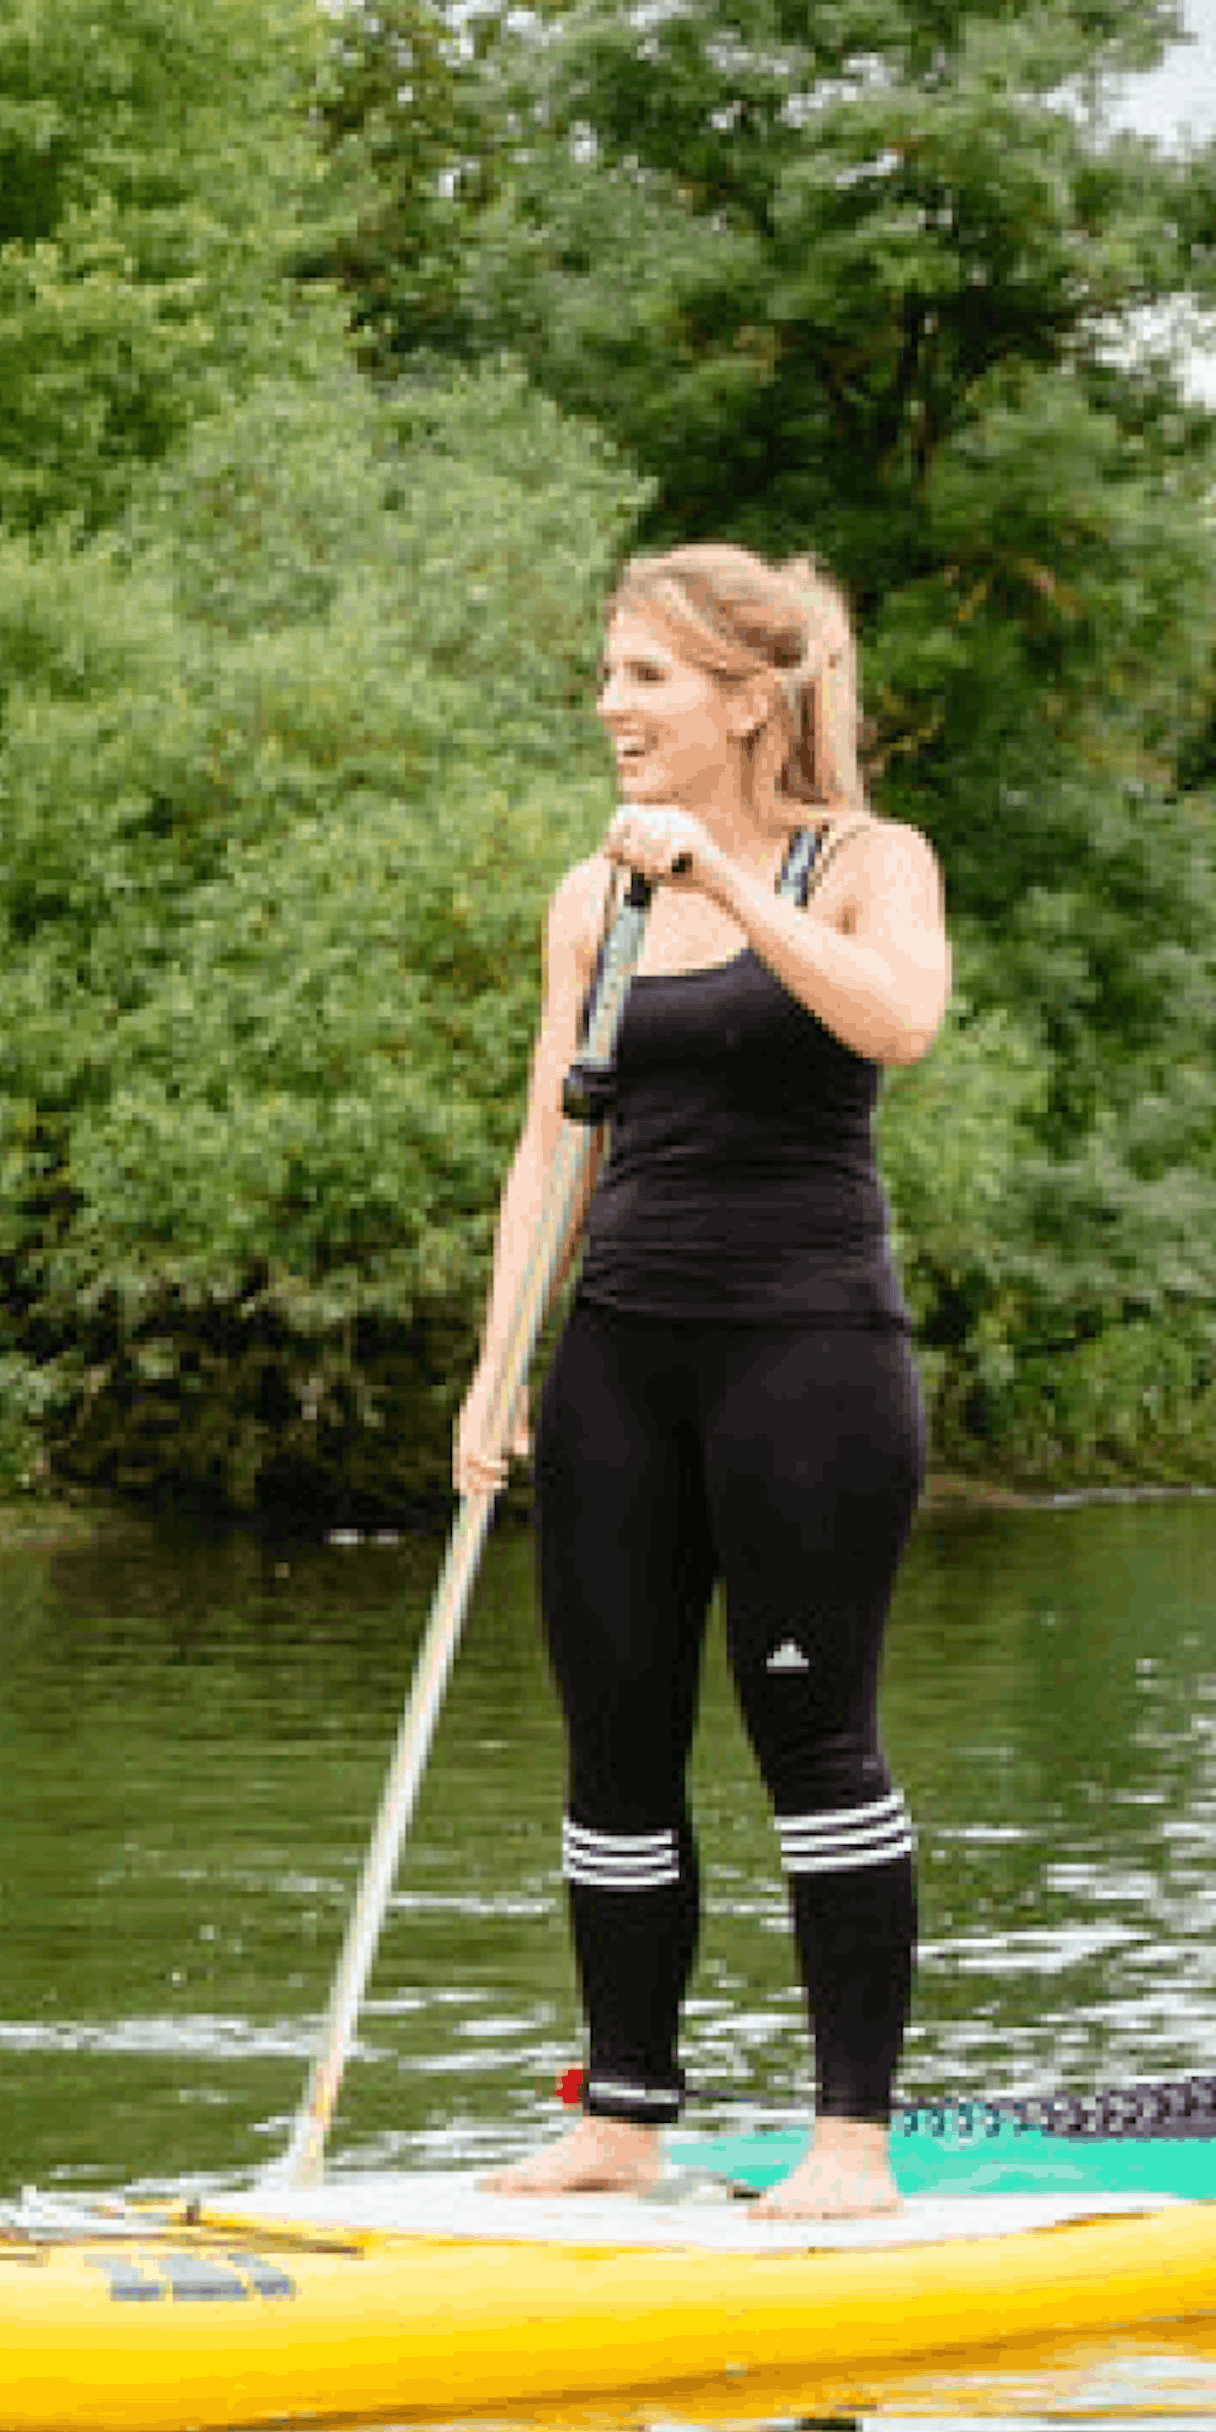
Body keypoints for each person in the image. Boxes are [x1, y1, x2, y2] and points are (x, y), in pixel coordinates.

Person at [454, 545, 951, 2222]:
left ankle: (848, 2147)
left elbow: (897, 1023)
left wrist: (735, 895)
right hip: (622, 1362)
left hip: (809, 1361)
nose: (610, 708)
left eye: (646, 679)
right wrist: (497, 1359)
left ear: (750, 701)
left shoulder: (871, 860)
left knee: (814, 1740)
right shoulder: (590, 899)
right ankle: (624, 2119)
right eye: (606, 675)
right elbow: (551, 1146)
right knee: (614, 1750)